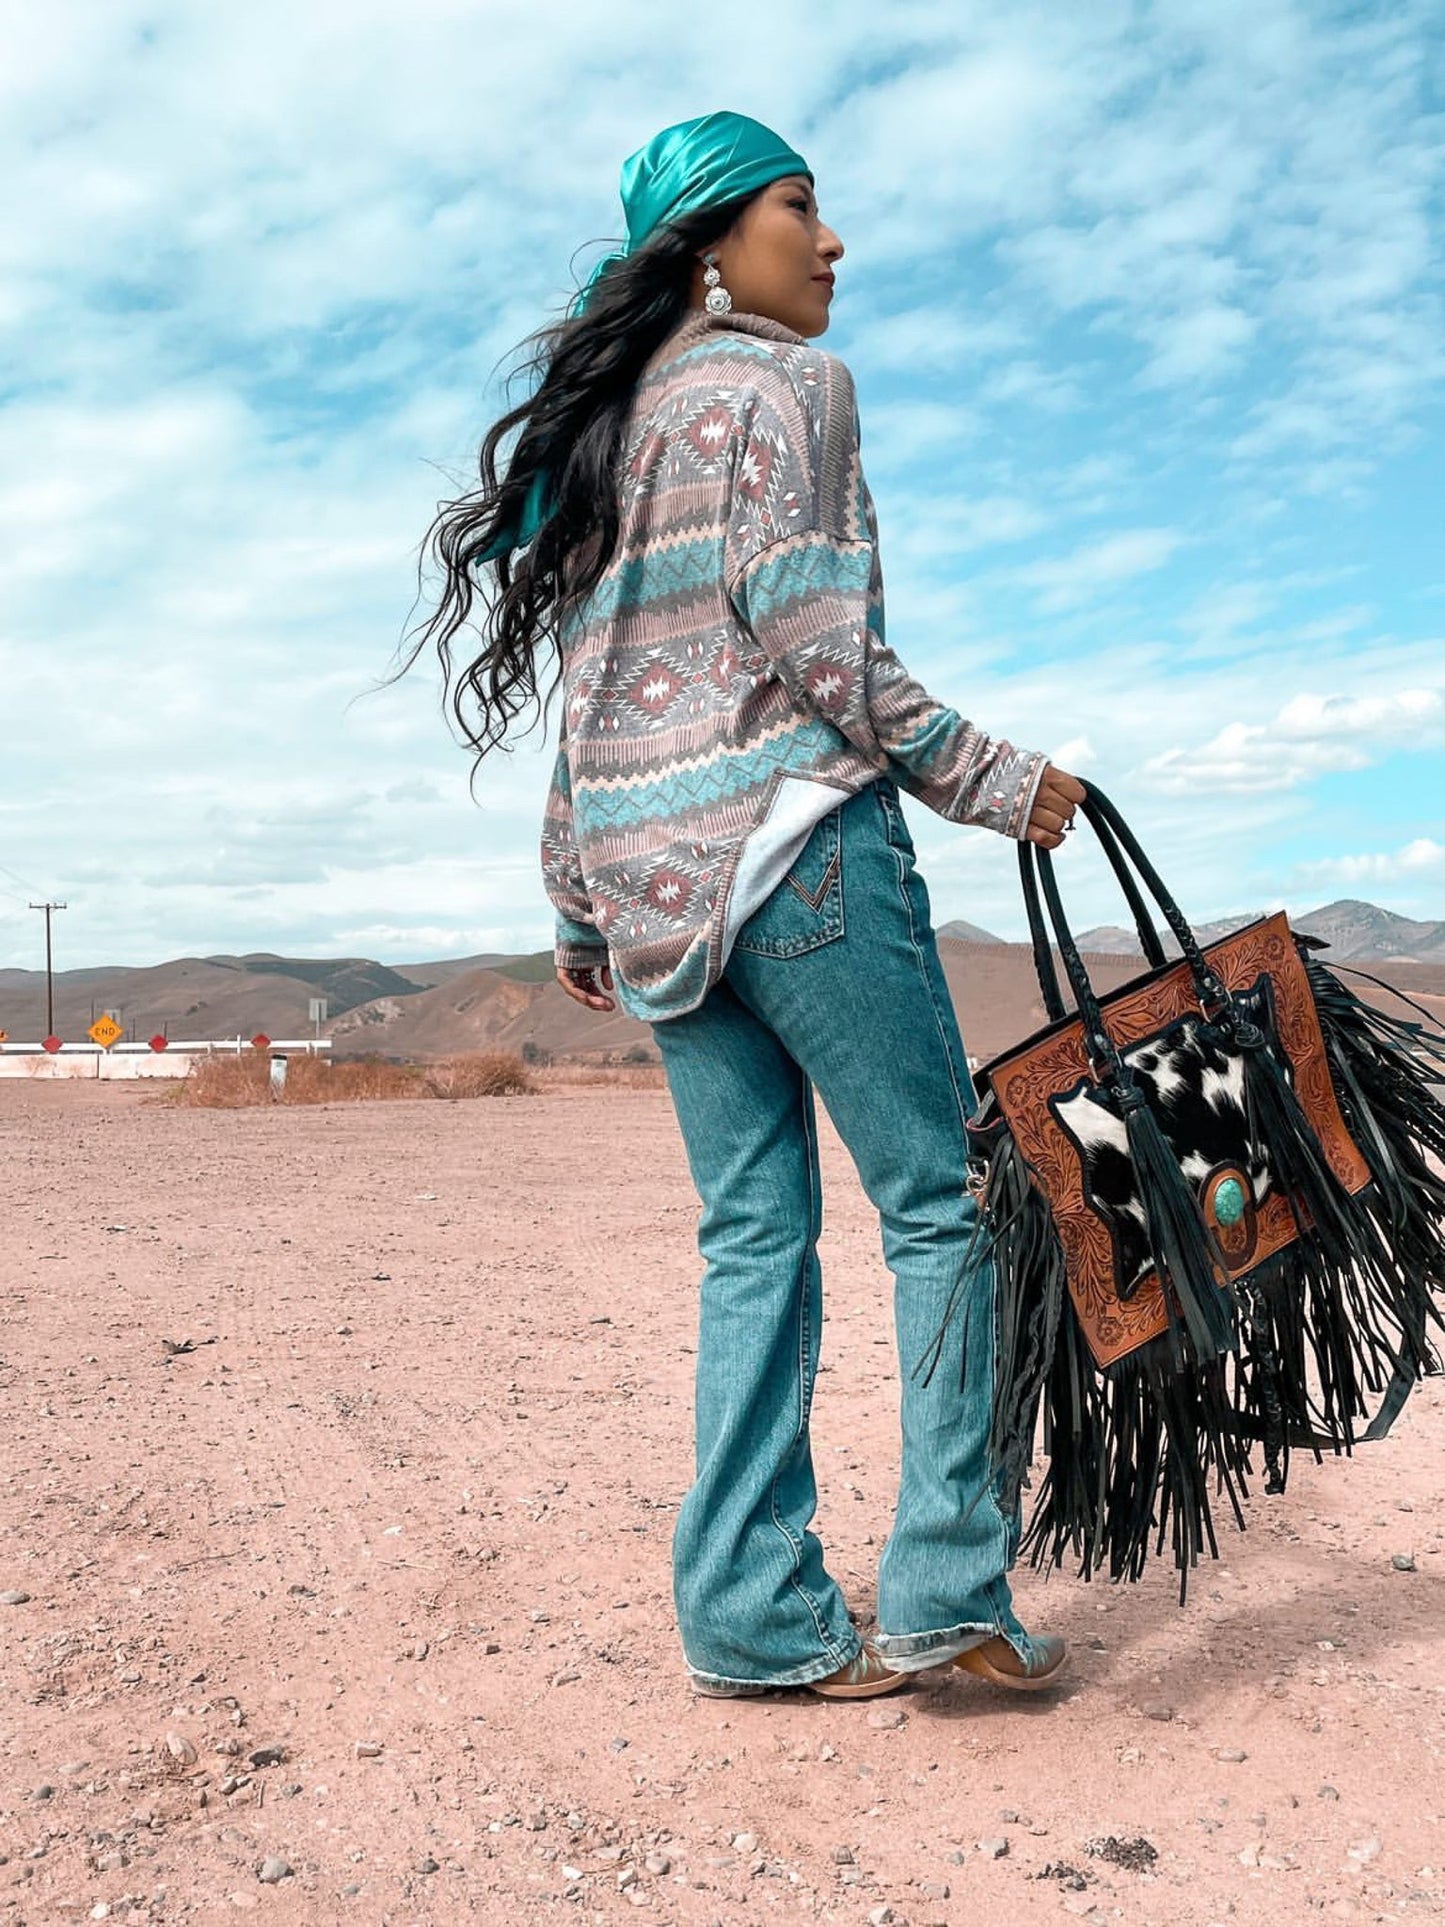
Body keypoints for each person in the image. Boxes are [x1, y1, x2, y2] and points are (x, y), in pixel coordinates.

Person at [410, 111, 1086, 1700]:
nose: (833, 240)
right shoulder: (786, 385)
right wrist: (997, 779)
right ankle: (939, 1589)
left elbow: (591, 695)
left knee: (752, 1241)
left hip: (653, 901)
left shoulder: (605, 434)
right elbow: (812, 632)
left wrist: (579, 906)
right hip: (802, 859)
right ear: (714, 239)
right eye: (803, 205)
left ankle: (750, 1618)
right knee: (942, 1206)